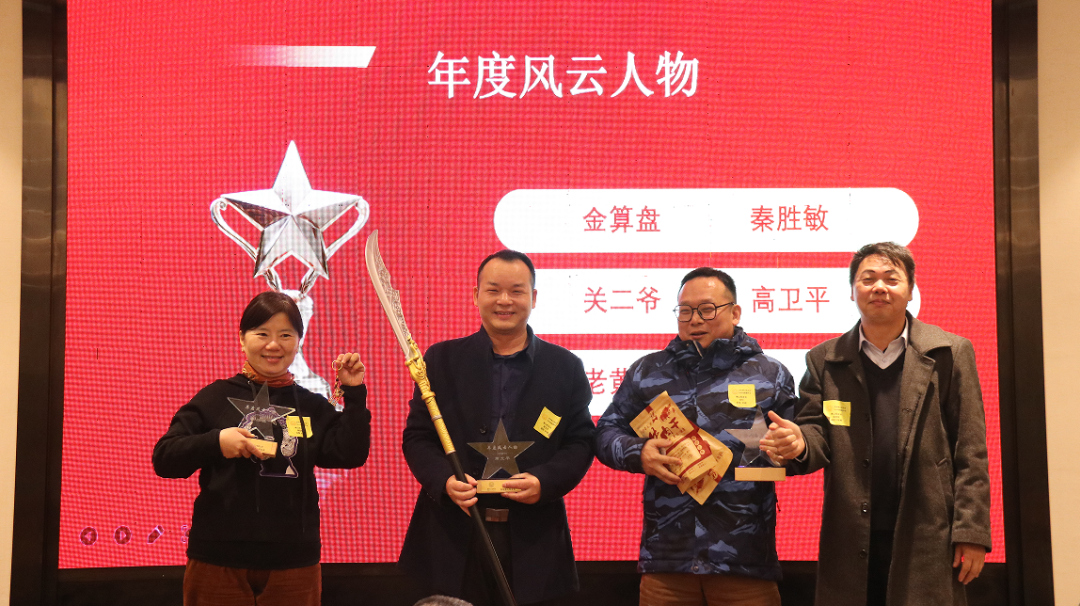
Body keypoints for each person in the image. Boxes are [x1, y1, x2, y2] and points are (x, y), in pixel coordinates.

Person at [762, 242, 992, 606]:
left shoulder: (949, 352)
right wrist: (799, 443)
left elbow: (971, 449)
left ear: (911, 290)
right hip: (851, 533)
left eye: (891, 278)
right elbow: (815, 432)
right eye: (868, 279)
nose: (879, 287)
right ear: (852, 291)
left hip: (927, 530)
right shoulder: (825, 360)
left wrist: (972, 531)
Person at [398, 250, 595, 606]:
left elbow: (580, 442)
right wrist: (444, 481)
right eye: (493, 290)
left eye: (517, 291)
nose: (505, 300)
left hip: (534, 540)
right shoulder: (440, 360)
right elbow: (418, 437)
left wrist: (544, 481)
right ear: (476, 295)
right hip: (451, 535)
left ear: (534, 297)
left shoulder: (565, 367)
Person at [153, 291, 372, 606]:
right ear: (242, 339)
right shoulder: (214, 397)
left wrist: (354, 392)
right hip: (218, 558)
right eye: (262, 334)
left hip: (294, 561)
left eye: (285, 335)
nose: (274, 345)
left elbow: (349, 454)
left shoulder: (310, 405)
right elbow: (165, 458)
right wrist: (217, 442)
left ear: (298, 341)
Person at [595, 267, 796, 606]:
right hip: (668, 561)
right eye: (685, 310)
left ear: (735, 312)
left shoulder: (770, 374)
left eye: (706, 309)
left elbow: (801, 450)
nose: (694, 320)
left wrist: (792, 447)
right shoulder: (647, 371)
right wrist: (637, 452)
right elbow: (605, 433)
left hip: (745, 561)